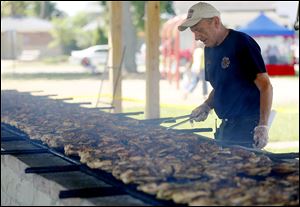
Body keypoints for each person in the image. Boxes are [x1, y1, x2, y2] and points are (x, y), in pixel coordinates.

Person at [178, 2, 273, 149]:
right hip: (226, 125)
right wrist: (206, 106)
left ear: (215, 22)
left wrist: (263, 126)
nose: (196, 37)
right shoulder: (209, 50)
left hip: (247, 125)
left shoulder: (242, 43)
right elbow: (220, 87)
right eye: (193, 31)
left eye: (199, 30)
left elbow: (265, 86)